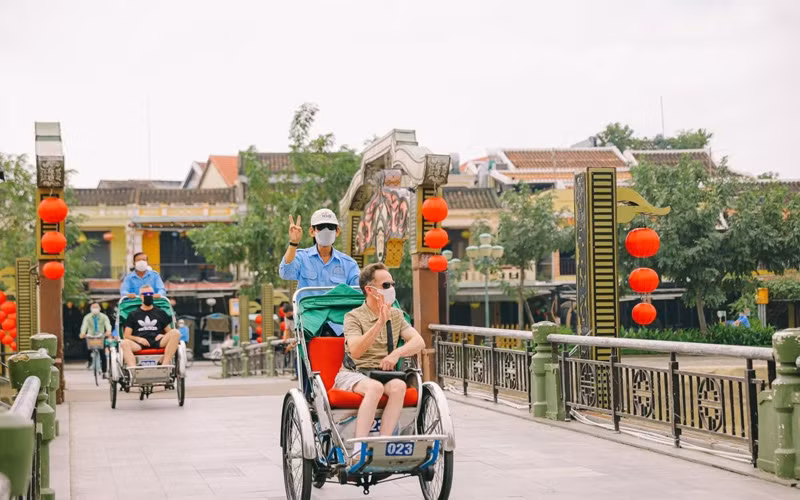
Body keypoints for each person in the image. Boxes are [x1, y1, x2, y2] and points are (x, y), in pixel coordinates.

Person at [334, 263, 425, 461]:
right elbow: (356, 351)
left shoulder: (396, 314)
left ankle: (384, 444)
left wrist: (396, 353)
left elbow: (419, 342)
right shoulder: (353, 317)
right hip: (354, 373)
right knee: (374, 388)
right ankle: (358, 448)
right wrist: (379, 323)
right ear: (369, 290)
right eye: (386, 285)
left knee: (400, 386)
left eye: (392, 284)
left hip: (383, 373)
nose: (391, 289)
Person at [279, 209, 359, 297]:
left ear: (337, 231)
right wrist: (293, 243)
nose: (326, 230)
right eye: (321, 227)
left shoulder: (349, 264)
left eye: (330, 227)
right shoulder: (302, 257)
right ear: (312, 232)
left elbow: (359, 293)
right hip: (307, 306)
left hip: (337, 306)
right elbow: (285, 273)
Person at [120, 285, 181, 370]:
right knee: (124, 343)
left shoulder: (161, 313)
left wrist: (163, 335)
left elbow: (169, 332)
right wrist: (139, 339)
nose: (148, 296)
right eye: (145, 294)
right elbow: (126, 336)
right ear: (140, 296)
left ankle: (164, 366)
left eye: (150, 294)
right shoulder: (133, 314)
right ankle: (133, 371)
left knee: (175, 333)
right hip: (139, 344)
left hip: (157, 341)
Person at [79, 303, 112, 376]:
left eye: (96, 307)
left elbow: (107, 324)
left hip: (100, 336)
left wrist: (108, 331)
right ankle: (89, 361)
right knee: (86, 349)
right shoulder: (87, 317)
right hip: (90, 336)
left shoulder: (104, 317)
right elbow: (84, 325)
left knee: (103, 353)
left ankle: (104, 371)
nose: (95, 309)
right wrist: (82, 333)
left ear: (99, 308)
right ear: (91, 309)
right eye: (93, 307)